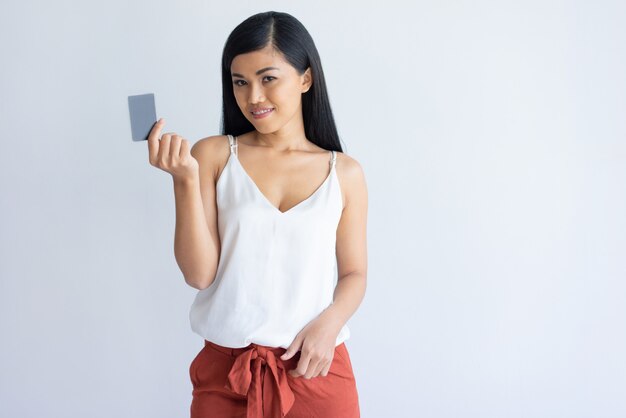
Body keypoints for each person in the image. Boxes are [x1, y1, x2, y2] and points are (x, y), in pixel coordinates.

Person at [147, 10, 367, 418]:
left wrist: (329, 325)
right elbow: (199, 275)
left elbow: (354, 273)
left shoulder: (345, 172)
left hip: (317, 368)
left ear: (305, 78)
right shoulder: (212, 155)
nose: (253, 98)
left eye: (268, 79)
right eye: (240, 82)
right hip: (228, 376)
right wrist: (183, 182)